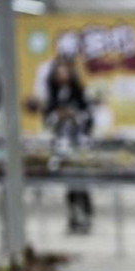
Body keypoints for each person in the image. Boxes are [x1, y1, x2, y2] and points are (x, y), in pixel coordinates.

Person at [43, 59, 95, 234]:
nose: (62, 76)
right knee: (68, 181)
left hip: (79, 143)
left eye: (65, 72)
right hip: (62, 144)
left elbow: (89, 117)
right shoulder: (53, 94)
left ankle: (86, 215)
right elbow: (47, 119)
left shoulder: (80, 93)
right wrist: (58, 115)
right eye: (59, 73)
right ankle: (73, 216)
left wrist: (75, 115)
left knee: (82, 181)